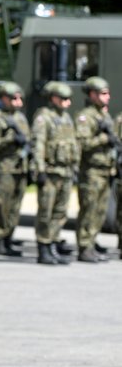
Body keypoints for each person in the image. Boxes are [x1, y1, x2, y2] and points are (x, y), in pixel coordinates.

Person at [31, 82, 78, 265]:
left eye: (69, 99)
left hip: (65, 171)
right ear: (53, 98)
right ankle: (43, 247)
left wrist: (74, 168)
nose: (67, 103)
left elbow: (73, 145)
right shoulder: (44, 117)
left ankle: (53, 244)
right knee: (46, 212)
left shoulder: (66, 118)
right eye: (63, 99)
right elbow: (38, 145)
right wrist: (39, 170)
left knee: (60, 212)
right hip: (50, 173)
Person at [0, 82, 31, 258]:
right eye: (14, 98)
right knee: (2, 205)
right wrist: (10, 139)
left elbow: (27, 140)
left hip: (20, 168)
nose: (18, 102)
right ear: (4, 98)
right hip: (4, 168)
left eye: (20, 98)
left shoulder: (20, 118)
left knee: (15, 206)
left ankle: (8, 238)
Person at [74, 76, 115, 263]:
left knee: (99, 211)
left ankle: (91, 242)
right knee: (89, 209)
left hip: (105, 169)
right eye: (103, 94)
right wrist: (103, 138)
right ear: (92, 94)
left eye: (108, 94)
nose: (108, 97)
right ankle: (84, 246)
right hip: (91, 170)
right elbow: (83, 143)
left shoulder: (104, 115)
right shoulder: (86, 117)